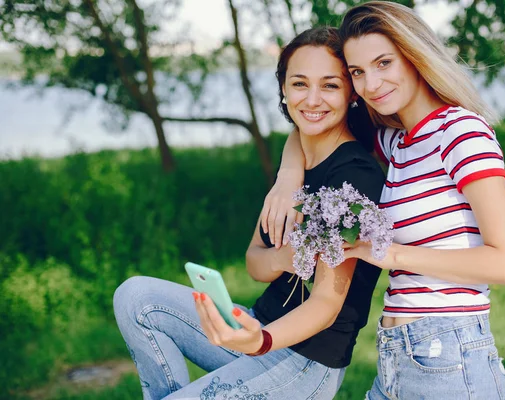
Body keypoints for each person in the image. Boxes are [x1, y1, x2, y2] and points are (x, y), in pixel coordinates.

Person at [259, 2, 505, 399]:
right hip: (397, 358)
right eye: (358, 73)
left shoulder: (460, 134)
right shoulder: (394, 141)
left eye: (383, 63)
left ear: (414, 56)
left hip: (450, 357)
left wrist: (392, 254)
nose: (371, 84)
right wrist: (288, 178)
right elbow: (313, 121)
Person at [113, 26, 386, 400]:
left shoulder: (354, 176)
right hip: (259, 324)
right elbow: (254, 262)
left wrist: (261, 341)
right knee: (135, 297)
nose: (312, 99)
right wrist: (283, 257)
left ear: (351, 93)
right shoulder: (297, 163)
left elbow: (326, 303)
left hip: (304, 361)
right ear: (284, 90)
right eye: (300, 84)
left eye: (330, 86)